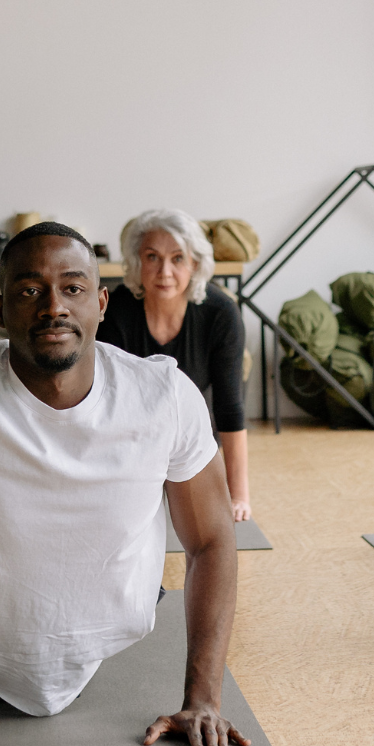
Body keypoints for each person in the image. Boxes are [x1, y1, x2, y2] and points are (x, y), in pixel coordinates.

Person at [0, 221, 246, 746]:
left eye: (73, 288)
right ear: (0, 309)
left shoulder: (164, 396)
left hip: (118, 628)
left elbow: (212, 541)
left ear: (101, 303)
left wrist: (203, 699)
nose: (54, 307)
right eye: (30, 290)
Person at [98, 208, 251, 521]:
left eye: (178, 258)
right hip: (130, 441)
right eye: (152, 257)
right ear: (137, 262)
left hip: (193, 440)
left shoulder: (221, 313)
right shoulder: (115, 311)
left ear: (195, 264)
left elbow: (229, 409)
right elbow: (106, 403)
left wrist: (238, 496)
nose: (164, 271)